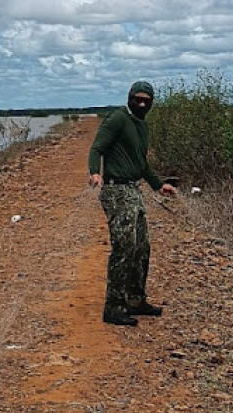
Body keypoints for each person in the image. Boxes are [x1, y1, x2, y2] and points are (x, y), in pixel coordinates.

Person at [88, 80, 177, 327]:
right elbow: (97, 148)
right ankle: (113, 307)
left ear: (151, 102)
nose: (141, 103)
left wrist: (158, 185)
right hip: (116, 191)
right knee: (124, 248)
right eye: (137, 99)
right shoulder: (117, 119)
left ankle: (136, 301)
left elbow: (142, 163)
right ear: (129, 98)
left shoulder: (142, 126)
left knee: (141, 248)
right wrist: (95, 172)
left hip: (133, 191)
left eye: (146, 100)